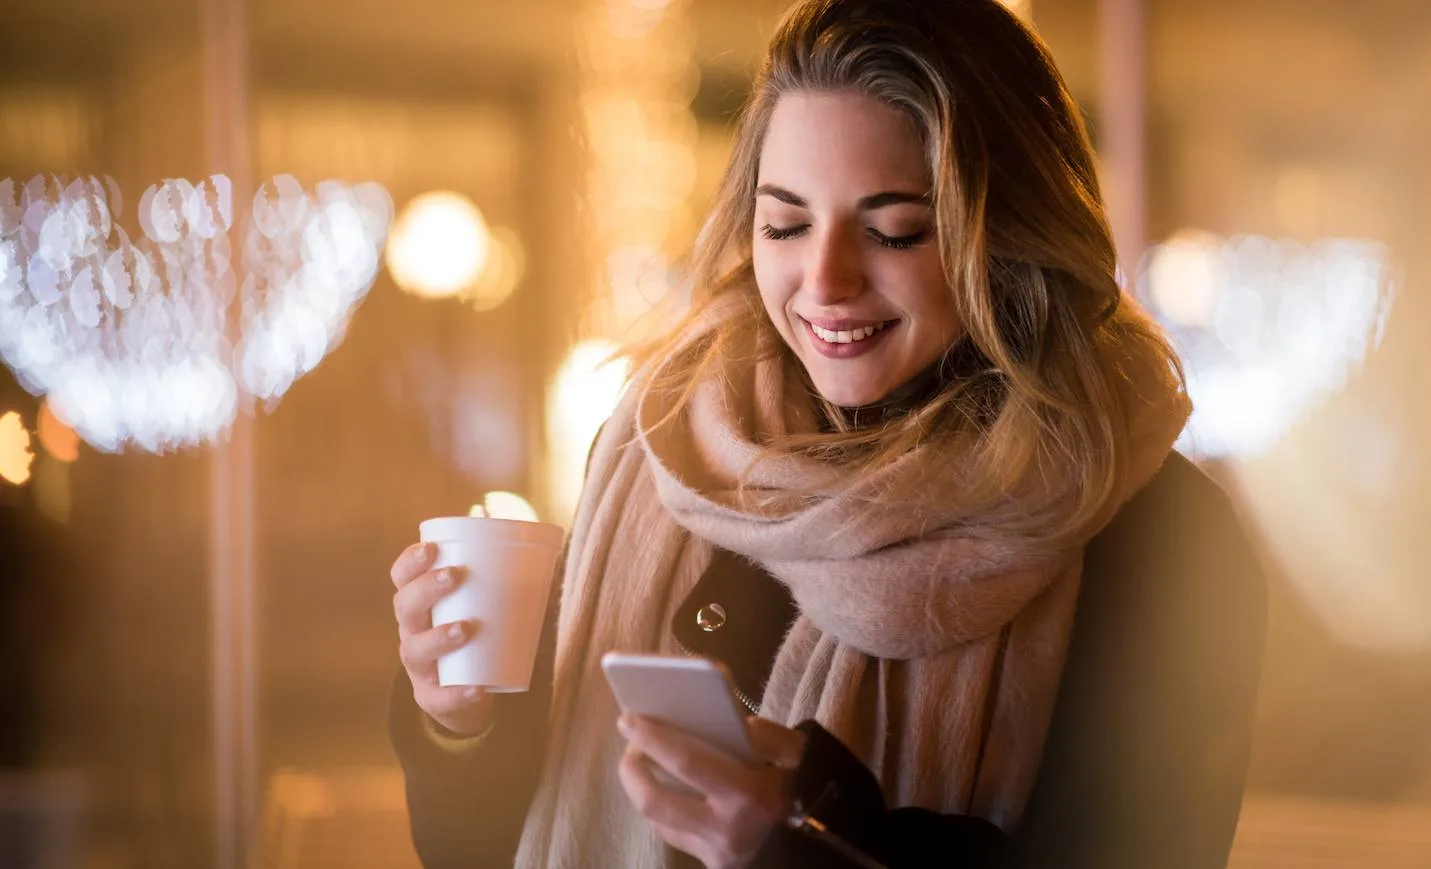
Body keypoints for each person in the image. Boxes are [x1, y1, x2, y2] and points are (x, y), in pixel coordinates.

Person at [388, 0, 1267, 866]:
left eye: (895, 231)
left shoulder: (1164, 538)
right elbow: (495, 845)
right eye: (787, 223)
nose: (825, 279)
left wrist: (809, 838)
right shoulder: (662, 453)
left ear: (1009, 239)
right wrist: (460, 723)